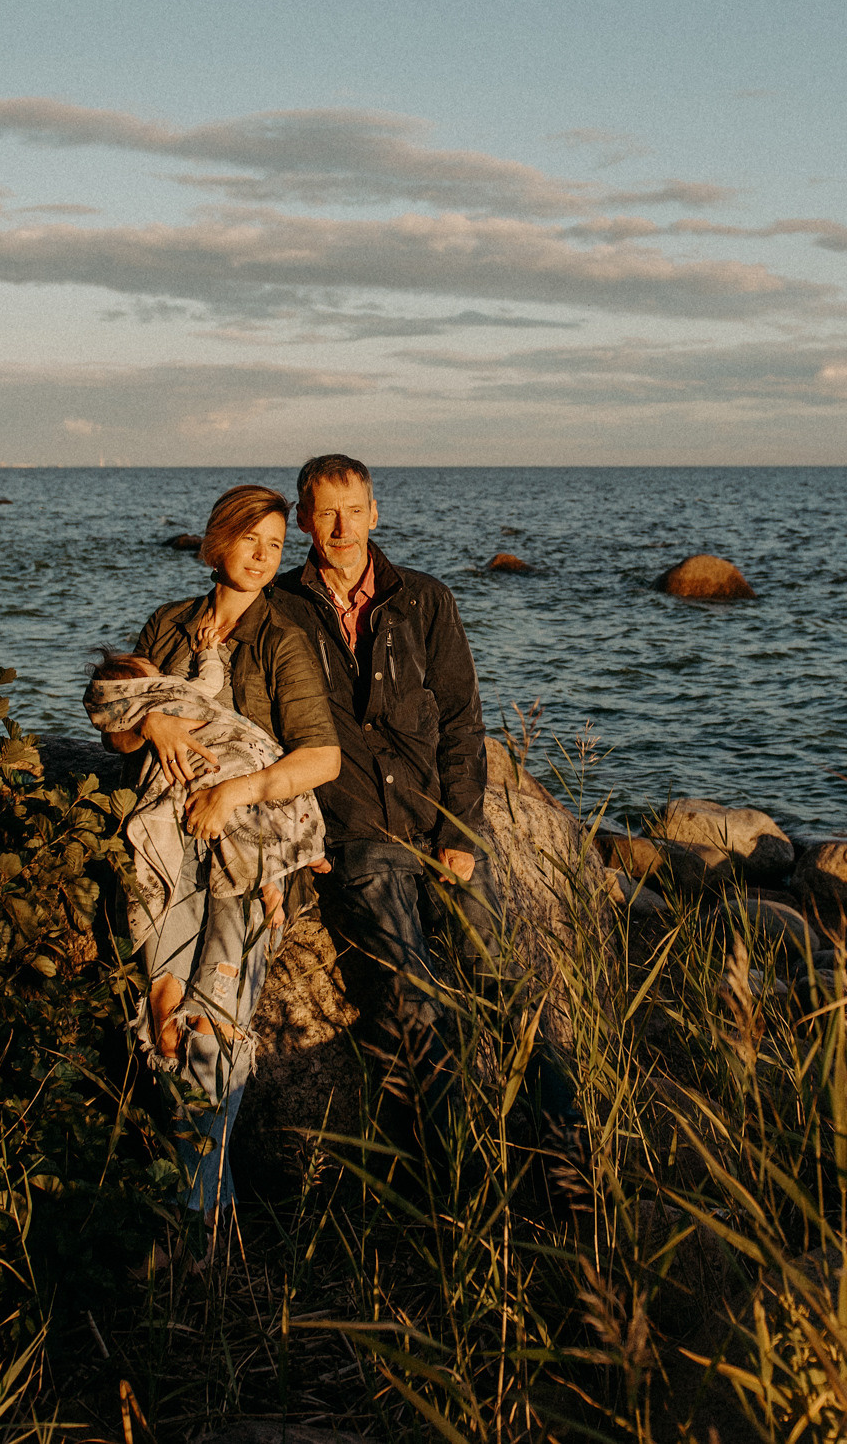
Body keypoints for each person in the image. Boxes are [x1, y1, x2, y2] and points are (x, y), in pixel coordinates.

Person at [264, 453, 576, 1162]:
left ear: (375, 512)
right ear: (305, 519)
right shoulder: (278, 608)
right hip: (357, 836)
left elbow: (465, 720)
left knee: (505, 987)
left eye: (354, 509)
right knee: (412, 1007)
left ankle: (565, 1161)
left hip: (443, 825)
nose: (342, 526)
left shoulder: (426, 600)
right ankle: (451, 1185)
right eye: (325, 512)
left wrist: (460, 826)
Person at [100, 484, 339, 1215]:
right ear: (218, 542)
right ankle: (213, 1206)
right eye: (250, 541)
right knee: (167, 1020)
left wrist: (234, 793)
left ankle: (195, 1215)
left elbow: (321, 759)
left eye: (275, 545)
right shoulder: (169, 625)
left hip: (245, 854)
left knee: (214, 1023)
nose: (265, 558)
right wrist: (157, 729)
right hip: (170, 848)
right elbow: (116, 724)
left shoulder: (281, 637)